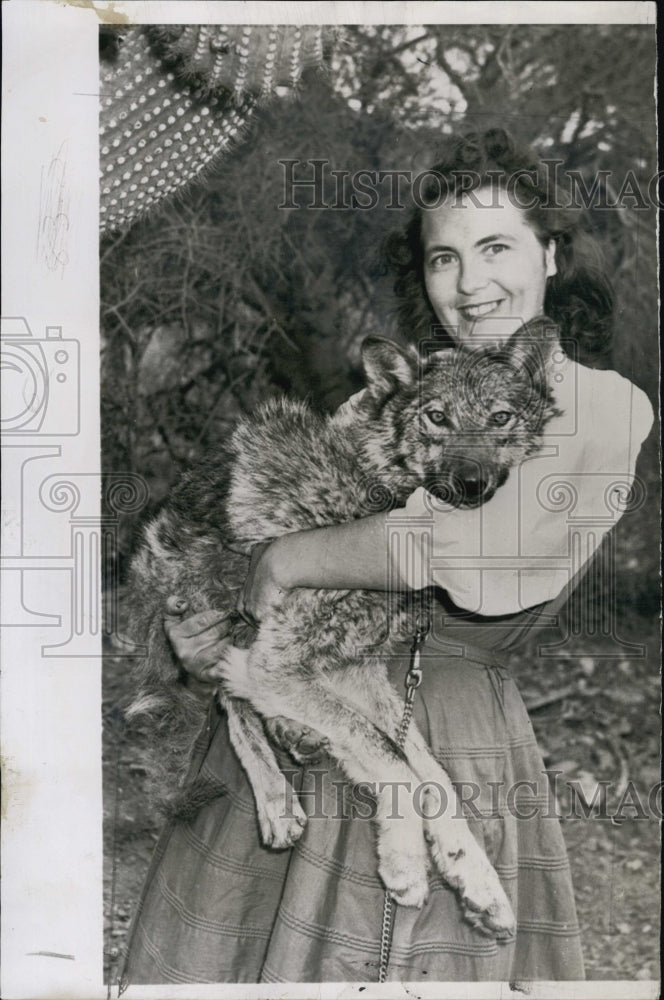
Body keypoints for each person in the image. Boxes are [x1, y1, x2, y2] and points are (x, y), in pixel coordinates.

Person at [120, 128, 653, 985]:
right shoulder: (405, 393)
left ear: (550, 255)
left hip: (446, 734)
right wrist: (219, 607)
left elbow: (480, 553)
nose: (471, 284)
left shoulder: (604, 406)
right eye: (443, 259)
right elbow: (247, 539)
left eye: (496, 248)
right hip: (310, 705)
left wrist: (290, 558)